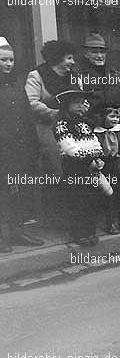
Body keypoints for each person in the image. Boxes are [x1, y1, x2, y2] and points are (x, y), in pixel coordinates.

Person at [25, 40, 81, 226]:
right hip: (47, 129)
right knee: (55, 169)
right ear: (57, 58)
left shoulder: (74, 76)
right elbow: (31, 102)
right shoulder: (36, 76)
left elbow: (80, 98)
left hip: (70, 128)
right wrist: (55, 113)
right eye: (69, 58)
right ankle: (54, 218)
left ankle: (72, 216)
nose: (72, 62)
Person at [0, 37, 44, 252]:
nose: (8, 64)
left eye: (11, 60)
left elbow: (27, 116)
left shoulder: (17, 85)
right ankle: (3, 238)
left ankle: (17, 232)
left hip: (19, 150)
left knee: (18, 192)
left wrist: (32, 145)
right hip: (2, 152)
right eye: (3, 60)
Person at [53, 90, 105, 246]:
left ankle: (90, 231)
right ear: (67, 105)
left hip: (91, 167)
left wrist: (98, 157)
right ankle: (78, 234)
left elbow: (95, 143)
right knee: (77, 201)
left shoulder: (86, 123)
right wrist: (89, 158)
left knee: (91, 199)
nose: (81, 106)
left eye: (83, 103)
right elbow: (70, 148)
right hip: (74, 168)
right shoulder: (61, 124)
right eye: (76, 103)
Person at [93, 106, 120, 234]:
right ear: (103, 117)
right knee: (109, 195)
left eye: (117, 117)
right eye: (111, 116)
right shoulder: (97, 133)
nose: (115, 119)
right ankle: (110, 223)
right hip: (107, 168)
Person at [73, 33, 120, 109]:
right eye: (94, 52)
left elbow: (117, 99)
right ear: (86, 54)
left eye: (102, 52)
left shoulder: (114, 73)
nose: (99, 56)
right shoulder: (78, 74)